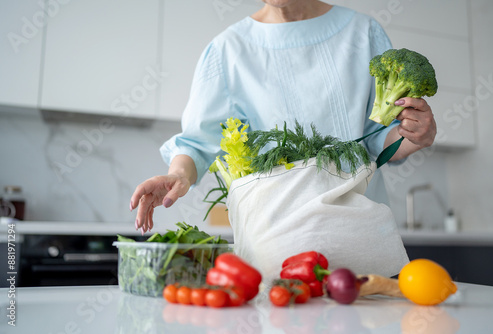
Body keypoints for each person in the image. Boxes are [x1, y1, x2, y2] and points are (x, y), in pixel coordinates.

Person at [130, 0, 436, 235]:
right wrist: (179, 175)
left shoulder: (363, 32)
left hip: (362, 233)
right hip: (276, 238)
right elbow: (198, 142)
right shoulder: (228, 49)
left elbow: (378, 138)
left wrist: (412, 136)